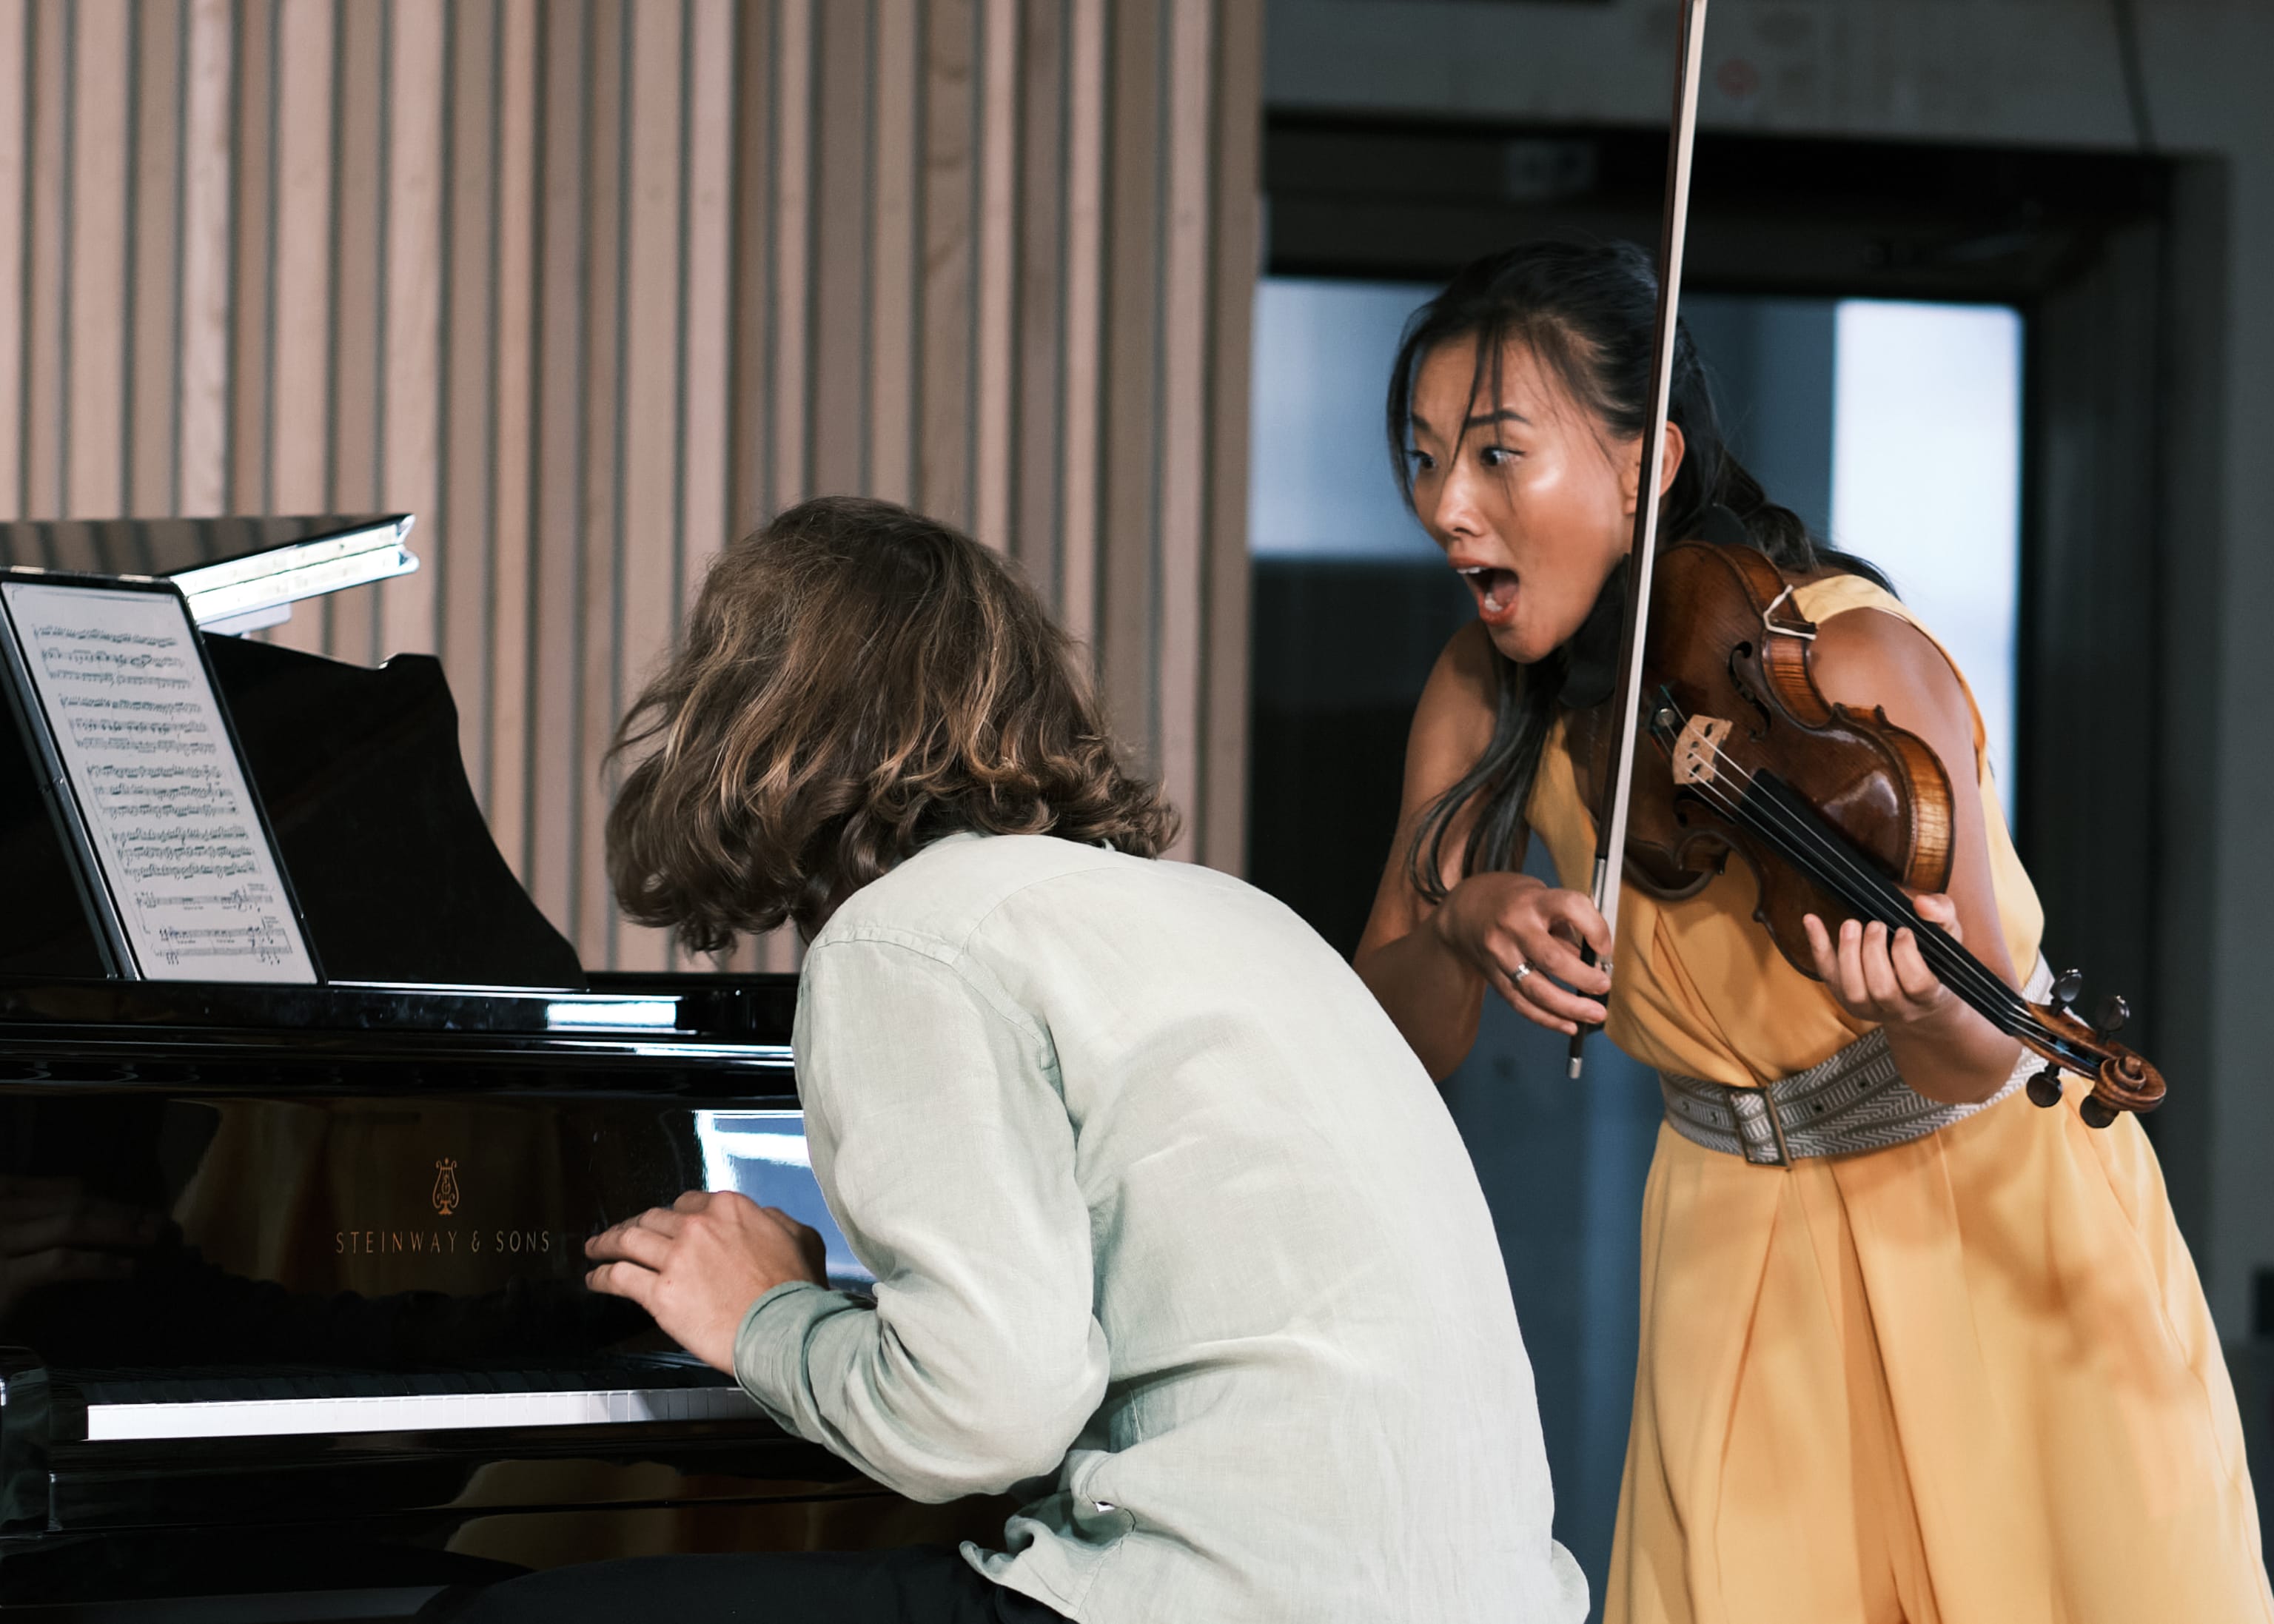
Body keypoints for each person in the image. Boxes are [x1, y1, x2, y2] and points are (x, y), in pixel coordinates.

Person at [431, 496, 1589, 1624]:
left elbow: (990, 1412)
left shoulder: (907, 939)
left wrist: (767, 1318)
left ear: (758, 720)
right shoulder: (1234, 914)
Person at [1353, 240, 2274, 1624]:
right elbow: (1390, 1034)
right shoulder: (1489, 690)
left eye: (1494, 455)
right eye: (1425, 459)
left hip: (1987, 1219)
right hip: (1737, 1244)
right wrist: (1463, 922)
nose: (1446, 505)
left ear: (1641, 465)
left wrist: (1919, 1013)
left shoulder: (1848, 662)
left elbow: (1975, 1057)